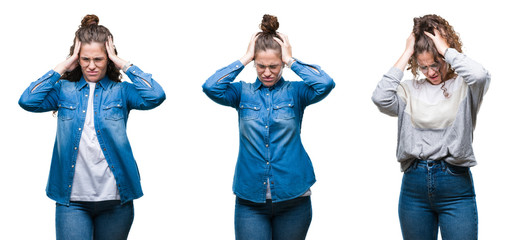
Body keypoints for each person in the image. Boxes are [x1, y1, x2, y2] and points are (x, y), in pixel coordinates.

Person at [19, 14, 165, 240]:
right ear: (78, 59)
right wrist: (63, 66)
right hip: (72, 202)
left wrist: (123, 63)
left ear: (108, 58)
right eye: (85, 59)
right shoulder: (62, 90)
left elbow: (156, 95)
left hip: (116, 201)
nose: (91, 66)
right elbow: (27, 100)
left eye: (99, 59)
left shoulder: (121, 92)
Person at [202, 14, 334, 240]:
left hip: (294, 197)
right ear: (254, 63)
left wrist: (292, 59)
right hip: (250, 200)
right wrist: (244, 57)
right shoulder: (241, 93)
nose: (267, 72)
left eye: (274, 66)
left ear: (282, 64)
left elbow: (325, 83)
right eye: (261, 66)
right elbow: (210, 87)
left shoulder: (296, 92)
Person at [372, 14, 490, 240]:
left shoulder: (466, 86)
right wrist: (407, 51)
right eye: (423, 67)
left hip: (455, 184)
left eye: (435, 64)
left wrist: (446, 49)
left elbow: (479, 74)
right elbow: (380, 98)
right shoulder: (408, 90)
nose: (431, 72)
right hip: (414, 186)